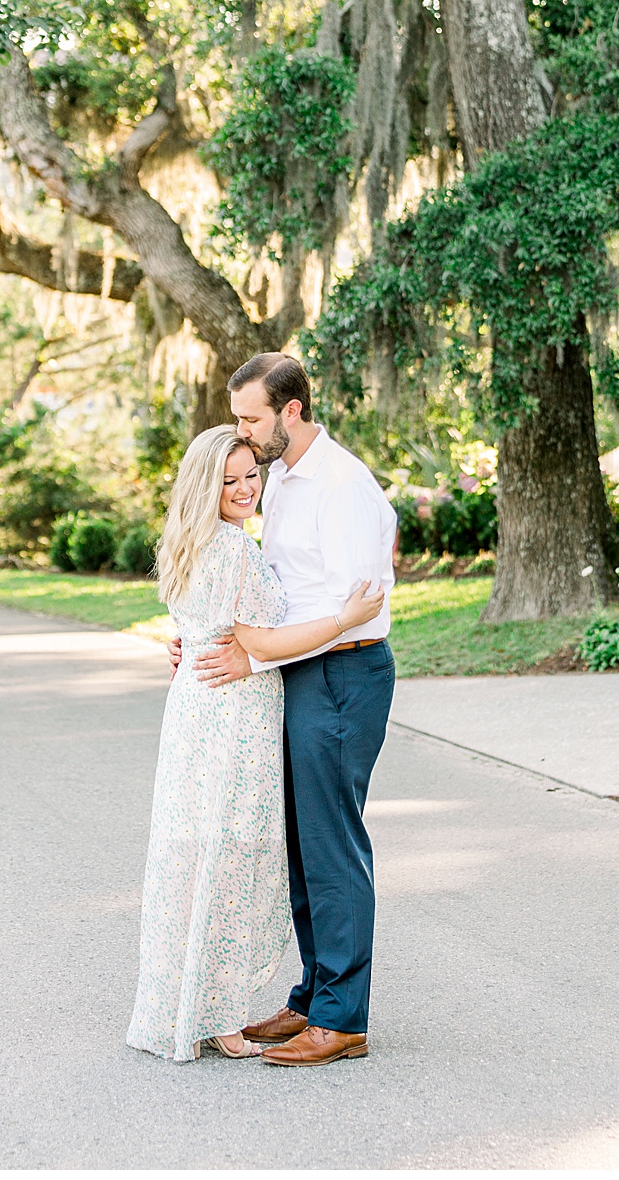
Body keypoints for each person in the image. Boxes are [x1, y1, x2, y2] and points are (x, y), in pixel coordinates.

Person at [127, 426, 384, 1061]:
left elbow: (211, 625)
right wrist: (344, 619)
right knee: (229, 856)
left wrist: (200, 646)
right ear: (204, 487)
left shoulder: (193, 543)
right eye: (230, 478)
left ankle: (215, 1004)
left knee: (206, 852)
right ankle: (225, 1009)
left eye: (250, 474)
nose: (246, 487)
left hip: (198, 714)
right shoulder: (236, 549)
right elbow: (262, 643)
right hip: (233, 717)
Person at [181, 353, 398, 1067]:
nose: (240, 428)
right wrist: (213, 638)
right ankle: (312, 996)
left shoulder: (338, 483)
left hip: (342, 672)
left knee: (332, 845)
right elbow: (276, 587)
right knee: (303, 844)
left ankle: (342, 1019)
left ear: (291, 411)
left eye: (250, 416)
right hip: (302, 670)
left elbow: (346, 608)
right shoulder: (286, 480)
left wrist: (252, 655)